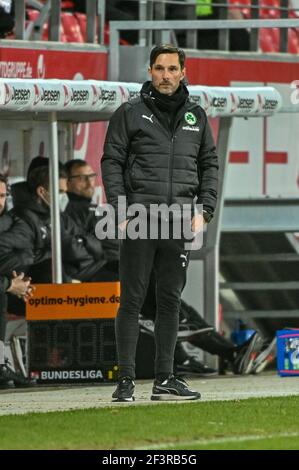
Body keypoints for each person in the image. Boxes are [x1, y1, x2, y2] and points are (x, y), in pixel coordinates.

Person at [101, 44, 218, 402]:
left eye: (172, 69)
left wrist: (206, 210)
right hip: (138, 218)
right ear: (149, 71)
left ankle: (165, 379)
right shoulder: (130, 112)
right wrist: (119, 208)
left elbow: (209, 165)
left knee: (170, 302)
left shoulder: (197, 115)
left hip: (179, 220)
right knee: (132, 300)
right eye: (159, 68)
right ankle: (125, 382)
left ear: (183, 72)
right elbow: (111, 161)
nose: (165, 75)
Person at [0, 174, 35, 387]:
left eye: (2, 195)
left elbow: (28, 247)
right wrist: (10, 285)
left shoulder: (13, 219)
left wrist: (11, 283)